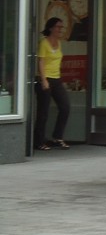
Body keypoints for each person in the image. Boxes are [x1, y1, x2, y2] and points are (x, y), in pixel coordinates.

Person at [34, 17, 70, 151]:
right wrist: (43, 80)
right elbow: (41, 61)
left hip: (56, 78)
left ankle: (57, 137)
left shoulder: (59, 43)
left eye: (62, 27)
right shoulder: (44, 43)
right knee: (43, 111)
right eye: (58, 27)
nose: (60, 29)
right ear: (51, 28)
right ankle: (39, 141)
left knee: (65, 107)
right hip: (45, 78)